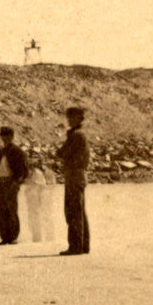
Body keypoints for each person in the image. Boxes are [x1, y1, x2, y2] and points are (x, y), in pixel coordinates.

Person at [56, 106, 90, 255]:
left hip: (74, 175)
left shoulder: (76, 135)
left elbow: (64, 152)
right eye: (68, 116)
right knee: (79, 210)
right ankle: (82, 245)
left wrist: (60, 154)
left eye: (72, 117)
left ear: (79, 118)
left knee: (73, 211)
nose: (69, 119)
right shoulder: (77, 134)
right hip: (77, 175)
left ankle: (76, 246)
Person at [0, 126, 29, 245]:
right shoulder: (1, 151)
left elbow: (23, 170)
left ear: (12, 136)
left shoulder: (17, 151)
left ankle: (13, 237)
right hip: (1, 182)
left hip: (11, 182)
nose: (4, 138)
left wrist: (17, 182)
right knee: (0, 210)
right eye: (3, 135)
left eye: (7, 135)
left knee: (11, 209)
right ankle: (4, 237)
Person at [25, 157, 47, 242]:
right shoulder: (31, 174)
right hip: (31, 198)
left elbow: (42, 186)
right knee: (32, 217)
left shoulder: (37, 173)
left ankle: (38, 237)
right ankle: (35, 236)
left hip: (36, 198)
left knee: (36, 216)